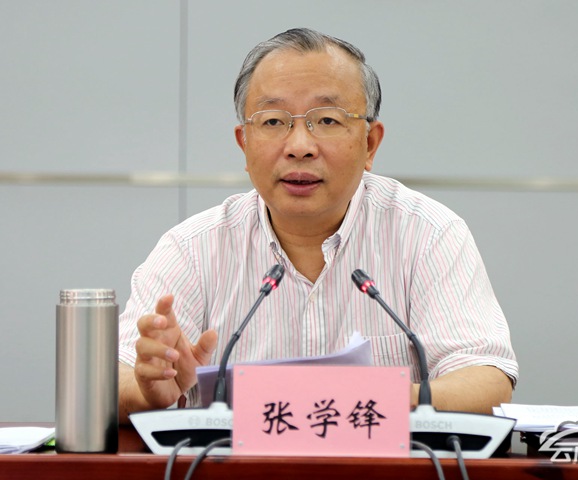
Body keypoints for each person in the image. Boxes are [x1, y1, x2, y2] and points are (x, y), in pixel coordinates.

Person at [118, 28, 518, 424]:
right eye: (273, 121)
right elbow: (115, 379)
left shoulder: (427, 234)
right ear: (244, 143)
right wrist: (146, 390)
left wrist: (366, 398)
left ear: (370, 144)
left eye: (326, 119)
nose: (299, 147)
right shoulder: (193, 249)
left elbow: (486, 380)